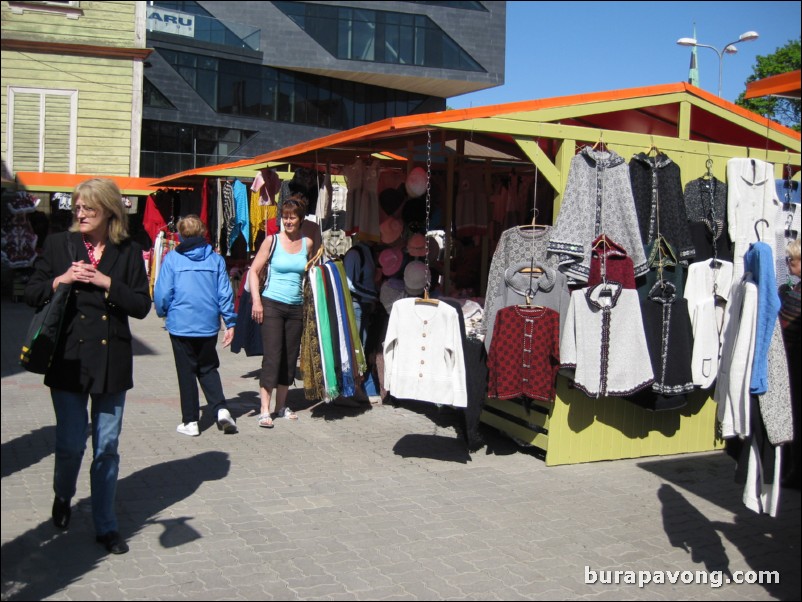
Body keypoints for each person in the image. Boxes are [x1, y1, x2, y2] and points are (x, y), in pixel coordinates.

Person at [24, 178, 151, 555]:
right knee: (70, 444)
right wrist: (61, 280)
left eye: (88, 208)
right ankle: (63, 496)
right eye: (77, 206)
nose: (80, 213)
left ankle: (105, 526)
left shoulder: (127, 250)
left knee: (107, 448)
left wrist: (106, 281)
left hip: (112, 362)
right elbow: (31, 292)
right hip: (68, 360)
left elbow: (142, 306)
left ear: (109, 210)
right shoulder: (58, 244)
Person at [154, 215, 238, 437]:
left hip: (180, 323)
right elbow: (224, 294)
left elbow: (162, 293)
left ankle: (191, 421)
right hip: (207, 323)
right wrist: (230, 321)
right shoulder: (215, 260)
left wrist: (163, 312)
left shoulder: (172, 259)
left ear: (180, 234)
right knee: (208, 367)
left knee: (186, 372)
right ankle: (220, 409)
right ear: (202, 232)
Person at [249, 194, 314, 428]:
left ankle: (281, 406)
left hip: (296, 307)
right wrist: (257, 301)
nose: (288, 221)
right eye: (285, 217)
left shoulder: (307, 243)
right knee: (273, 356)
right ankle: (264, 409)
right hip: (272, 304)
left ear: (300, 219)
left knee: (289, 357)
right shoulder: (271, 241)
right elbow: (253, 271)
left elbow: (311, 274)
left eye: (292, 217)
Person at [779, 239, 801, 488]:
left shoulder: (796, 295)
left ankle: (795, 473)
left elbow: (784, 328)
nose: (788, 264)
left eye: (791, 260)